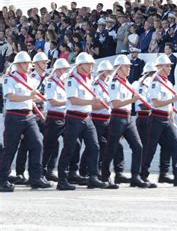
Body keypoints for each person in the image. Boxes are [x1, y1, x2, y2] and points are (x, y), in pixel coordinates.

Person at [0, 52, 52, 192]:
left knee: (37, 143)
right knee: (10, 148)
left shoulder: (30, 79)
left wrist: (40, 99)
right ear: (18, 64)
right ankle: (2, 179)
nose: (29, 65)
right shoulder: (9, 79)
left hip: (28, 115)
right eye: (26, 63)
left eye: (29, 63)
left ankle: (35, 177)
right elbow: (11, 97)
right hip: (14, 116)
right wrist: (29, 96)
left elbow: (32, 97)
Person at [56, 52, 107, 190]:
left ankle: (93, 177)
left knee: (94, 146)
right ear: (81, 65)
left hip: (87, 117)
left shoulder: (89, 79)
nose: (92, 66)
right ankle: (62, 179)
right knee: (69, 148)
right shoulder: (72, 79)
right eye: (89, 64)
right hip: (74, 117)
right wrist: (92, 101)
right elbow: (73, 100)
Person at [141, 55, 177, 187]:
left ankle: (175, 175)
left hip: (168, 118)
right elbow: (156, 103)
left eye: (170, 66)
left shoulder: (168, 83)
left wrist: (173, 119)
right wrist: (173, 100)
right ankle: (143, 174)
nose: (170, 68)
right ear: (159, 67)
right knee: (150, 147)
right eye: (167, 66)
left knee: (175, 145)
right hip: (156, 118)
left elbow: (169, 106)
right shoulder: (154, 82)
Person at [102, 55, 150, 188]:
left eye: (129, 66)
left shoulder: (127, 83)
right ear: (119, 68)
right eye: (126, 66)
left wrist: (131, 101)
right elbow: (115, 103)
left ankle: (135, 176)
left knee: (138, 147)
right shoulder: (114, 83)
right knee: (111, 148)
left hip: (128, 118)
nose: (129, 69)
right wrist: (132, 100)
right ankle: (105, 176)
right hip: (117, 117)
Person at [91, 60, 129, 186]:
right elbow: (94, 105)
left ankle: (119, 173)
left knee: (117, 146)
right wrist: (107, 103)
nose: (110, 74)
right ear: (101, 73)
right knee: (101, 146)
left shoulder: (110, 84)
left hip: (109, 119)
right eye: (108, 72)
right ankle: (93, 172)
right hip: (97, 119)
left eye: (111, 72)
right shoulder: (96, 85)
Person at [42, 58, 72, 183]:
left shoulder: (65, 82)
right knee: (50, 145)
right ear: (58, 70)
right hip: (54, 117)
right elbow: (53, 101)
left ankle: (58, 171)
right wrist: (69, 101)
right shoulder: (51, 82)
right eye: (65, 69)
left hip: (65, 116)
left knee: (71, 144)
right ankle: (41, 171)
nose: (66, 72)